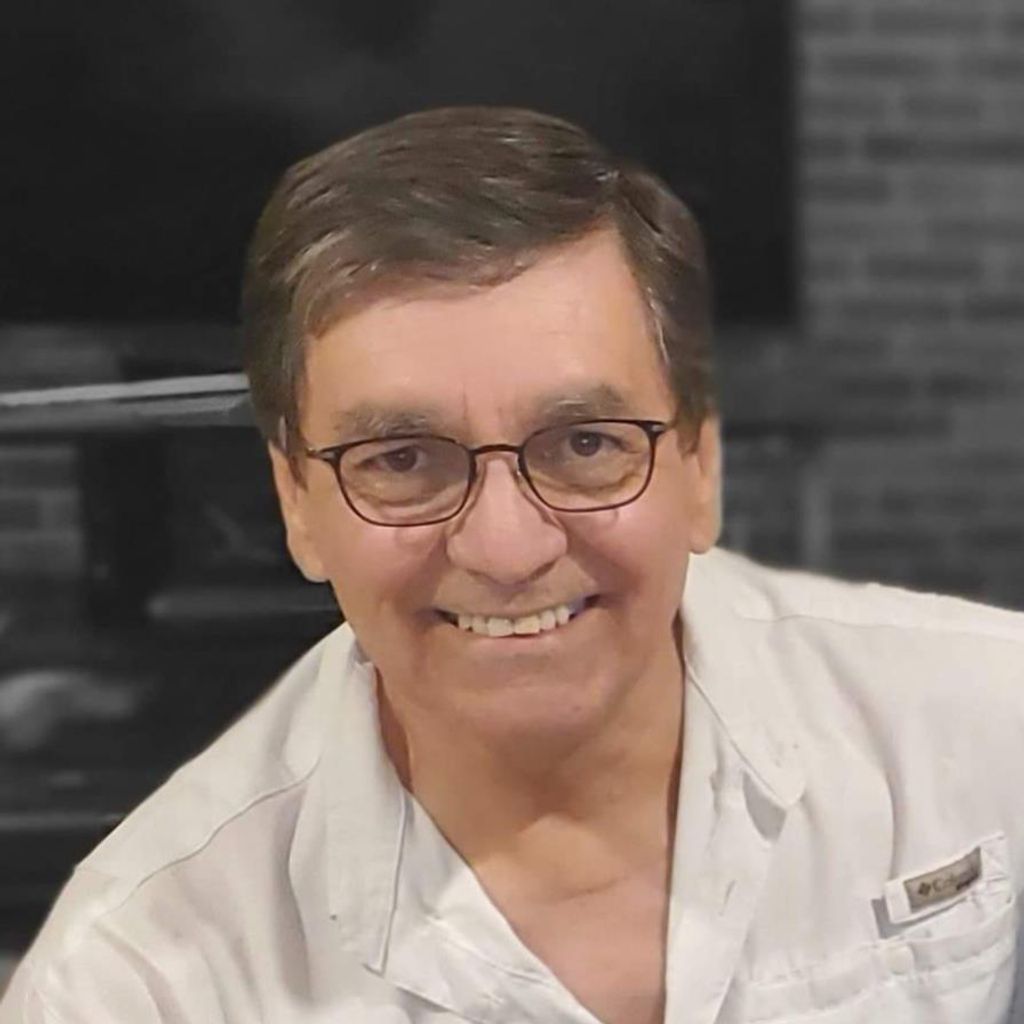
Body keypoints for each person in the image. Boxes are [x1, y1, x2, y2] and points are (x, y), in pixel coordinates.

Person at [2, 106, 1023, 1024]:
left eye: (584, 443)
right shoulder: (142, 980)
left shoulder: (983, 730)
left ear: (699, 466)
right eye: (402, 460)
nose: (505, 548)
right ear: (296, 502)